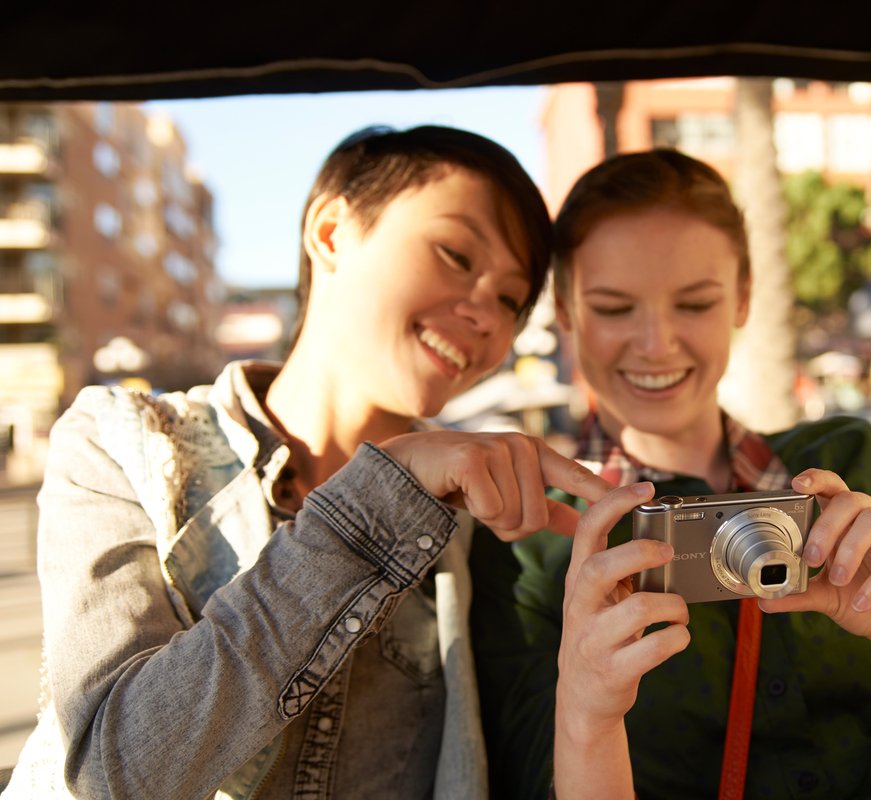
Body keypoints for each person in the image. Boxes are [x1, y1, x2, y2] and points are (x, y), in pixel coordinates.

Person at [3, 125, 611, 799]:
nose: (486, 317)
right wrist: (381, 495)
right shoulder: (121, 440)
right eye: (456, 255)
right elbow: (113, 773)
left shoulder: (479, 518)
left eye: (510, 300)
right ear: (330, 232)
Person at [471, 150, 871, 799]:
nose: (656, 343)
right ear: (566, 312)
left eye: (694, 303)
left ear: (741, 299)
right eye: (614, 308)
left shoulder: (852, 468)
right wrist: (587, 717)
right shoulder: (530, 529)